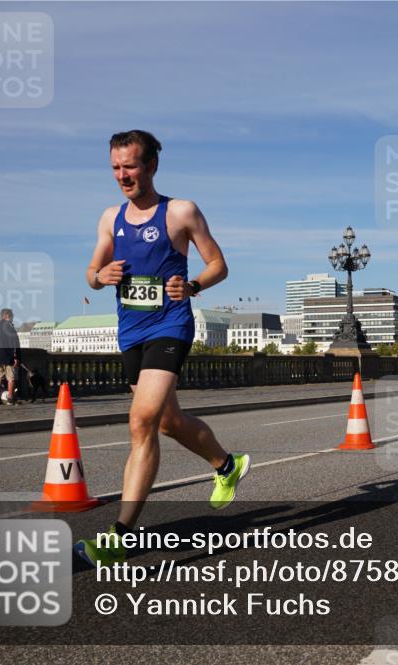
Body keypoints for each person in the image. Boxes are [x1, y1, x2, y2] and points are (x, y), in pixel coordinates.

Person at [76, 130, 251, 566]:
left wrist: (192, 285)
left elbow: (218, 264)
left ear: (151, 165)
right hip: (131, 332)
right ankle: (226, 465)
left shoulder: (180, 212)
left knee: (142, 422)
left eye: (130, 166)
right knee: (169, 422)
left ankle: (120, 536)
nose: (122, 176)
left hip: (170, 325)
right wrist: (100, 277)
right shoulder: (110, 218)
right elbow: (92, 272)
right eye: (116, 168)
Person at [0, 308, 21, 406]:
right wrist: (16, 357)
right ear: (8, 316)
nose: (13, 318)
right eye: (12, 316)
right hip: (8, 357)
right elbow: (14, 343)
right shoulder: (9, 326)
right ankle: (10, 399)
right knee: (11, 378)